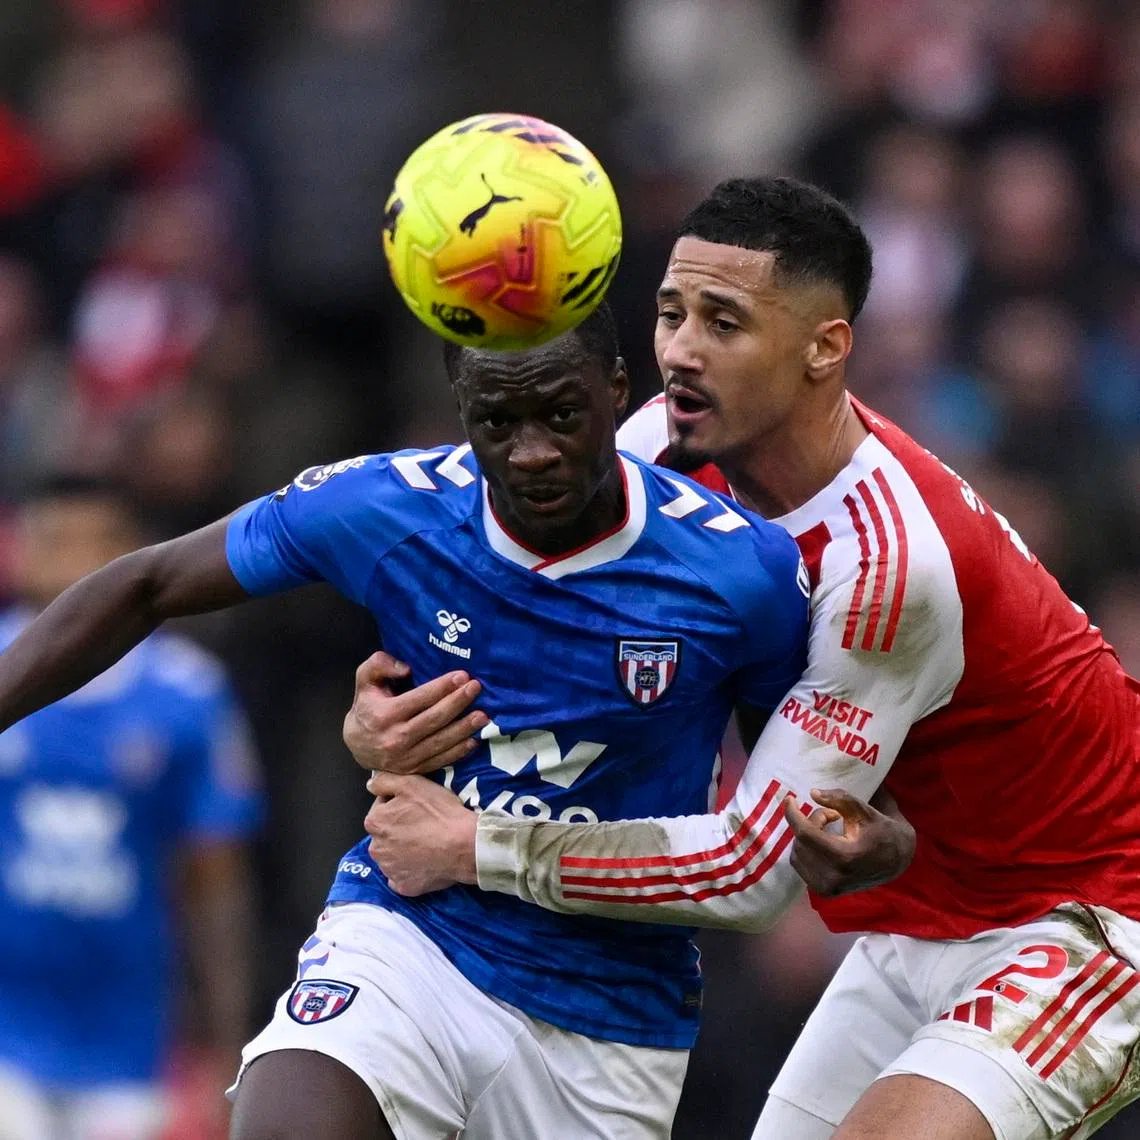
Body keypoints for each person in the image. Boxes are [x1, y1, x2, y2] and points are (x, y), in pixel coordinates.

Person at [346, 178, 1140, 1140]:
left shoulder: (887, 565)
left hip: (1093, 909)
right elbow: (523, 637)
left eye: (723, 322)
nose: (680, 350)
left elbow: (752, 874)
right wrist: (391, 712)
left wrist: (476, 847)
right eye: (671, 314)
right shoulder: (657, 454)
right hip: (921, 919)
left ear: (826, 348)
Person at [0, 305, 903, 1140]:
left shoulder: (737, 573)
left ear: (620, 391)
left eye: (560, 415)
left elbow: (801, 798)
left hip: (609, 1011)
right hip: (414, 934)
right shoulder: (388, 508)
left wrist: (865, 841)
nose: (532, 452)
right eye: (497, 423)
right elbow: (147, 582)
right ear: (459, 407)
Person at [0, 475, 262, 1140]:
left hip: (127, 1043)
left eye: (94, 545)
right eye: (53, 542)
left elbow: (215, 880)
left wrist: (228, 1047)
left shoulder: (186, 696)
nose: (70, 566)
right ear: (20, 552)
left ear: (135, 557)